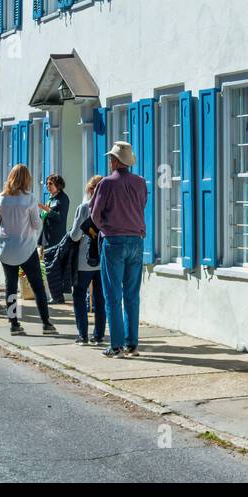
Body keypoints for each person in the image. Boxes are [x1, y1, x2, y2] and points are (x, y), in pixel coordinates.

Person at [91, 141, 148, 357]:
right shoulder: (140, 182)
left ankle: (116, 345)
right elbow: (141, 206)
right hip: (136, 240)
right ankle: (131, 343)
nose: (109, 161)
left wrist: (105, 225)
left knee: (113, 295)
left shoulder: (106, 184)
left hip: (114, 240)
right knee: (132, 294)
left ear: (115, 161)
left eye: (110, 159)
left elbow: (95, 215)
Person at [0, 164, 58, 336]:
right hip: (27, 248)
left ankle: (14, 323)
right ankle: (46, 323)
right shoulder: (29, 198)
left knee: (11, 287)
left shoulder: (1, 197)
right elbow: (37, 224)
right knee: (37, 286)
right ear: (26, 179)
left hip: (7, 248)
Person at [68, 175, 106, 345]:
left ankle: (83, 335)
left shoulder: (84, 208)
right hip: (103, 260)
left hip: (84, 261)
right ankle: (98, 335)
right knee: (100, 299)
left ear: (90, 190)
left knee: (79, 295)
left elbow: (75, 236)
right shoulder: (109, 207)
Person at [39, 174, 70, 304]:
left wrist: (48, 210)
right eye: (47, 184)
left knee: (54, 268)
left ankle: (57, 296)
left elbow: (60, 218)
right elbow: (44, 220)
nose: (48, 186)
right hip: (47, 238)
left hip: (57, 238)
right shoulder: (50, 199)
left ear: (58, 185)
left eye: (50, 183)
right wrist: (40, 242)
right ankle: (55, 295)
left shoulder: (63, 198)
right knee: (48, 268)